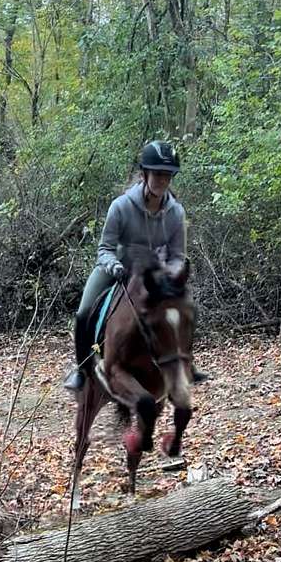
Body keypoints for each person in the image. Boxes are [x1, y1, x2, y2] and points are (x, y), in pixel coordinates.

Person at [63, 140, 208, 392]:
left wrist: (172, 272)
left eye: (167, 175)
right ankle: (82, 369)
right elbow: (104, 249)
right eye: (158, 174)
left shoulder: (176, 213)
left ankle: (186, 363)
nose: (163, 180)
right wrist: (114, 266)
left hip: (155, 273)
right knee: (84, 311)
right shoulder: (120, 207)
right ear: (144, 174)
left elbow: (177, 255)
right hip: (118, 268)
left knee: (186, 307)